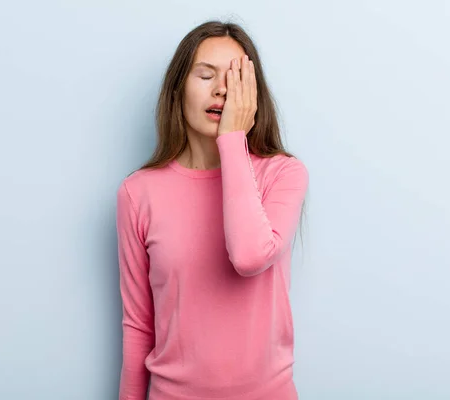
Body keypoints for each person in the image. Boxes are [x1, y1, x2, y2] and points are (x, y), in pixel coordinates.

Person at [116, 20, 309, 400]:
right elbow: (139, 326)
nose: (221, 89)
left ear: (253, 95)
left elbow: (249, 255)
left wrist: (233, 140)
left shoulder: (284, 173)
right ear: (178, 89)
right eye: (205, 75)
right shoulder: (137, 192)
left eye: (236, 78)